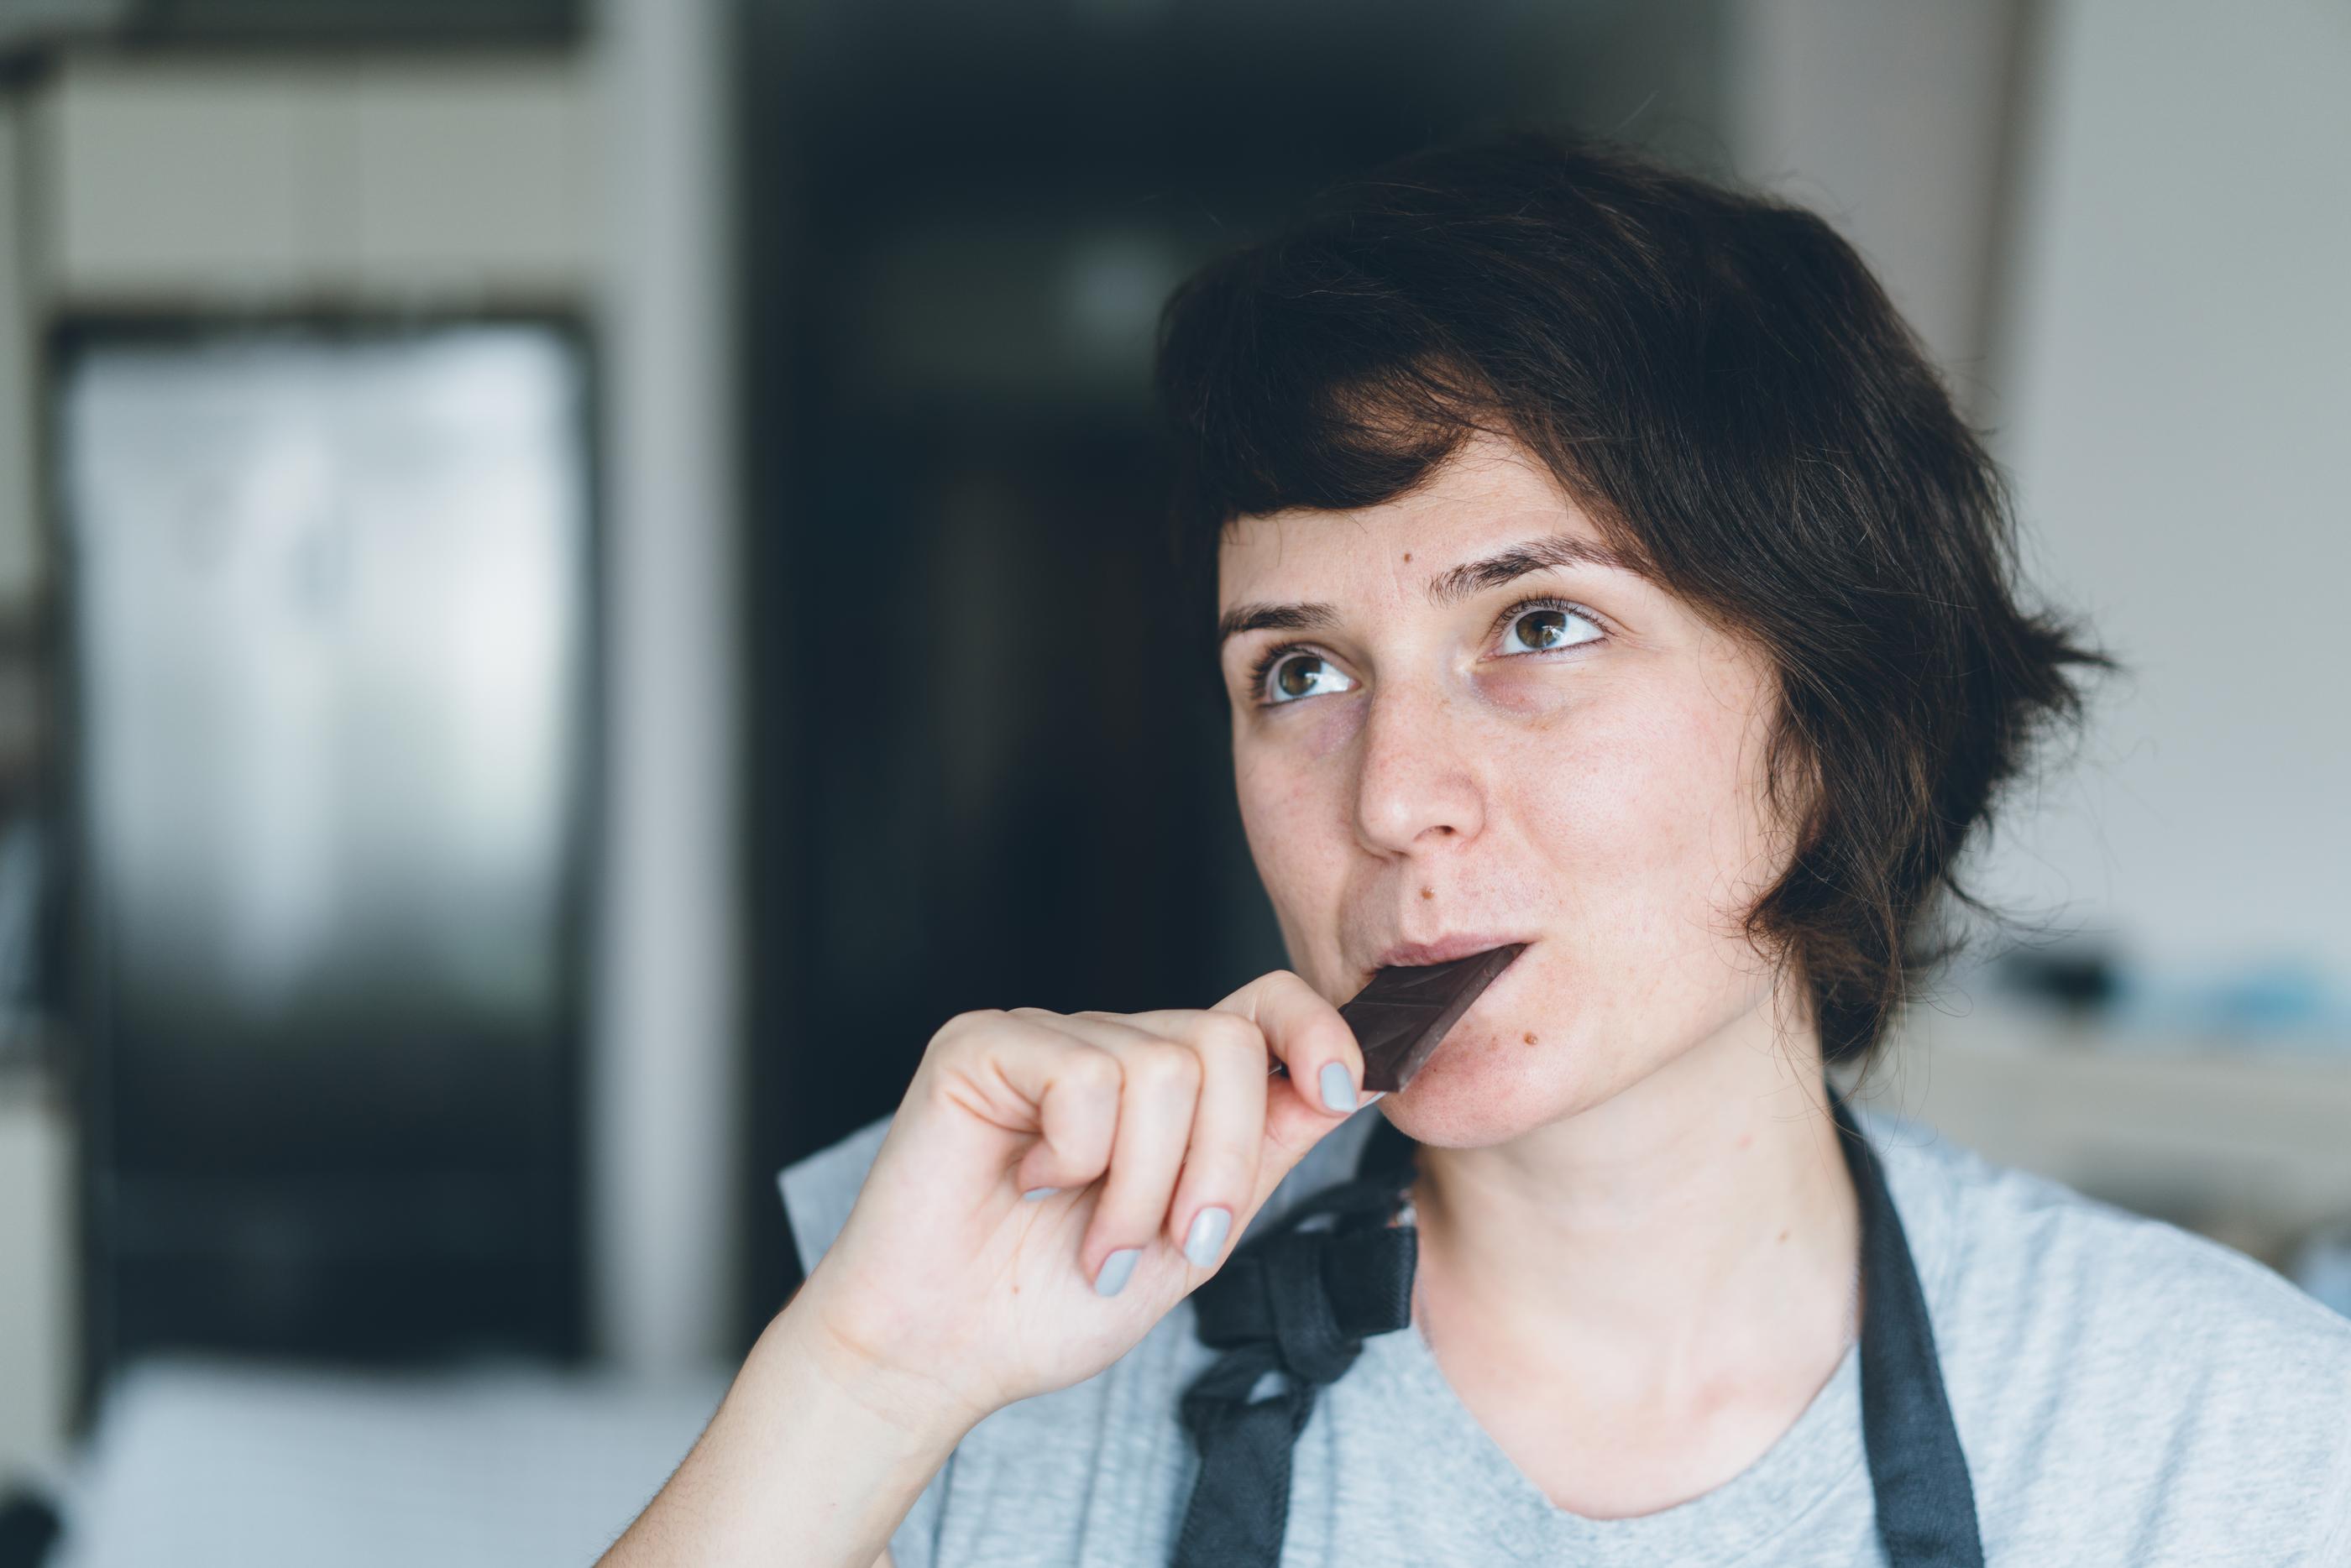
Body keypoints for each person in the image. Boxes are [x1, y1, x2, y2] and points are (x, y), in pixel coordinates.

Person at [600, 128, 2351, 1567]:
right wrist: (868, 1378)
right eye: (1296, 670)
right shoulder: (1005, 1323)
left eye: (1539, 626)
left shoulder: (2216, 1436)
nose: (1384, 796)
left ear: (1833, 718)